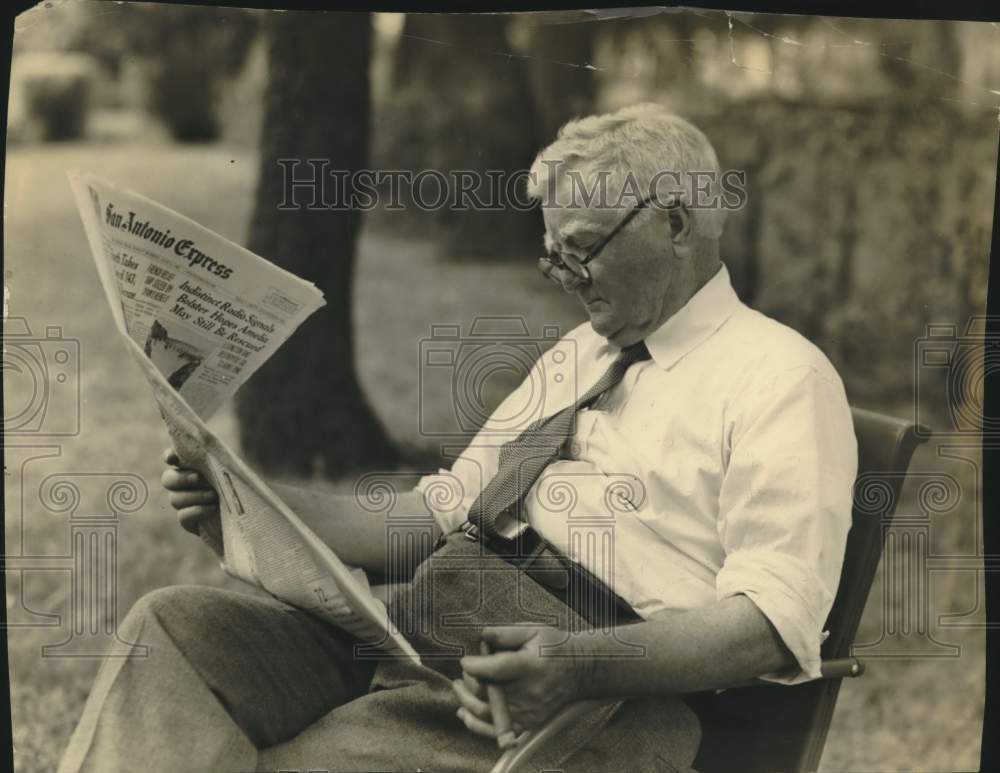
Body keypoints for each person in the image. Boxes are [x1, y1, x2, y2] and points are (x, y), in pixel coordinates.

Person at [59, 103, 857, 773]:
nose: (565, 277)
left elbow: (770, 621)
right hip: (421, 631)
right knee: (173, 632)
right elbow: (436, 515)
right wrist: (246, 502)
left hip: (581, 689)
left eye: (579, 248)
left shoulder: (782, 377)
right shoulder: (582, 353)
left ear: (677, 224)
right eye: (552, 256)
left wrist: (575, 665)